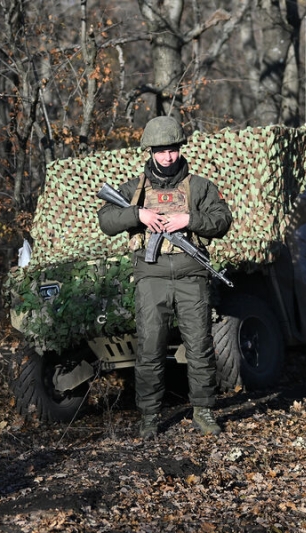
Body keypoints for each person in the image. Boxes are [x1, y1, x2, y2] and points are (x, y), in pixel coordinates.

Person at [97, 116, 233, 438]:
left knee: (199, 346)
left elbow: (223, 220)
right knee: (149, 348)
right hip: (151, 278)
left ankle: (203, 411)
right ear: (150, 152)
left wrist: (189, 219)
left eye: (172, 150)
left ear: (180, 149)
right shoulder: (135, 189)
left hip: (192, 276)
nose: (168, 157)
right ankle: (149, 417)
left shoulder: (199, 187)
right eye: (160, 151)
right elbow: (105, 219)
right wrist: (138, 214)